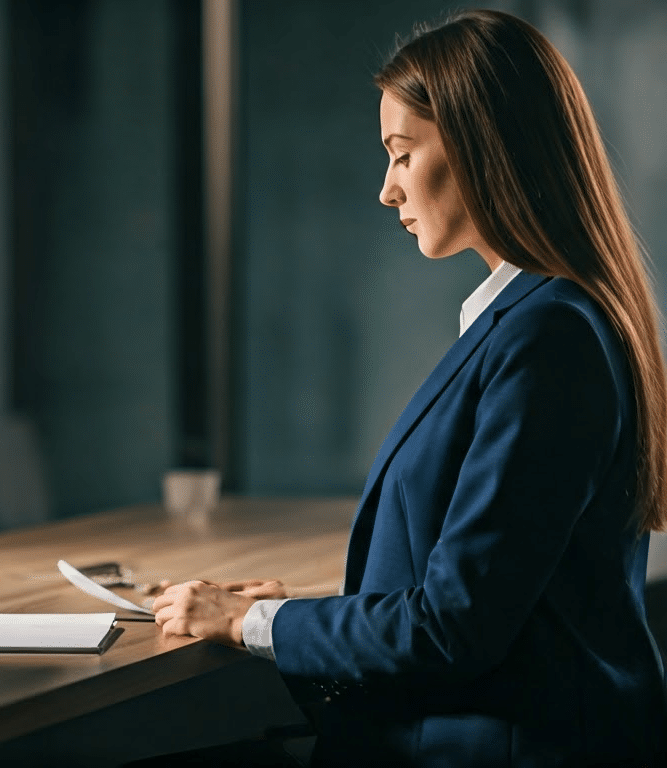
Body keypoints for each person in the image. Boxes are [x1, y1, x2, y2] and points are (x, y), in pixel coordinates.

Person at [152, 9, 667, 767]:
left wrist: (254, 622)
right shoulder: (540, 321)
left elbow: (453, 627)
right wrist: (283, 612)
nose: (388, 190)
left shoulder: (548, 338)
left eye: (401, 154)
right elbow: (477, 603)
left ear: (482, 145)